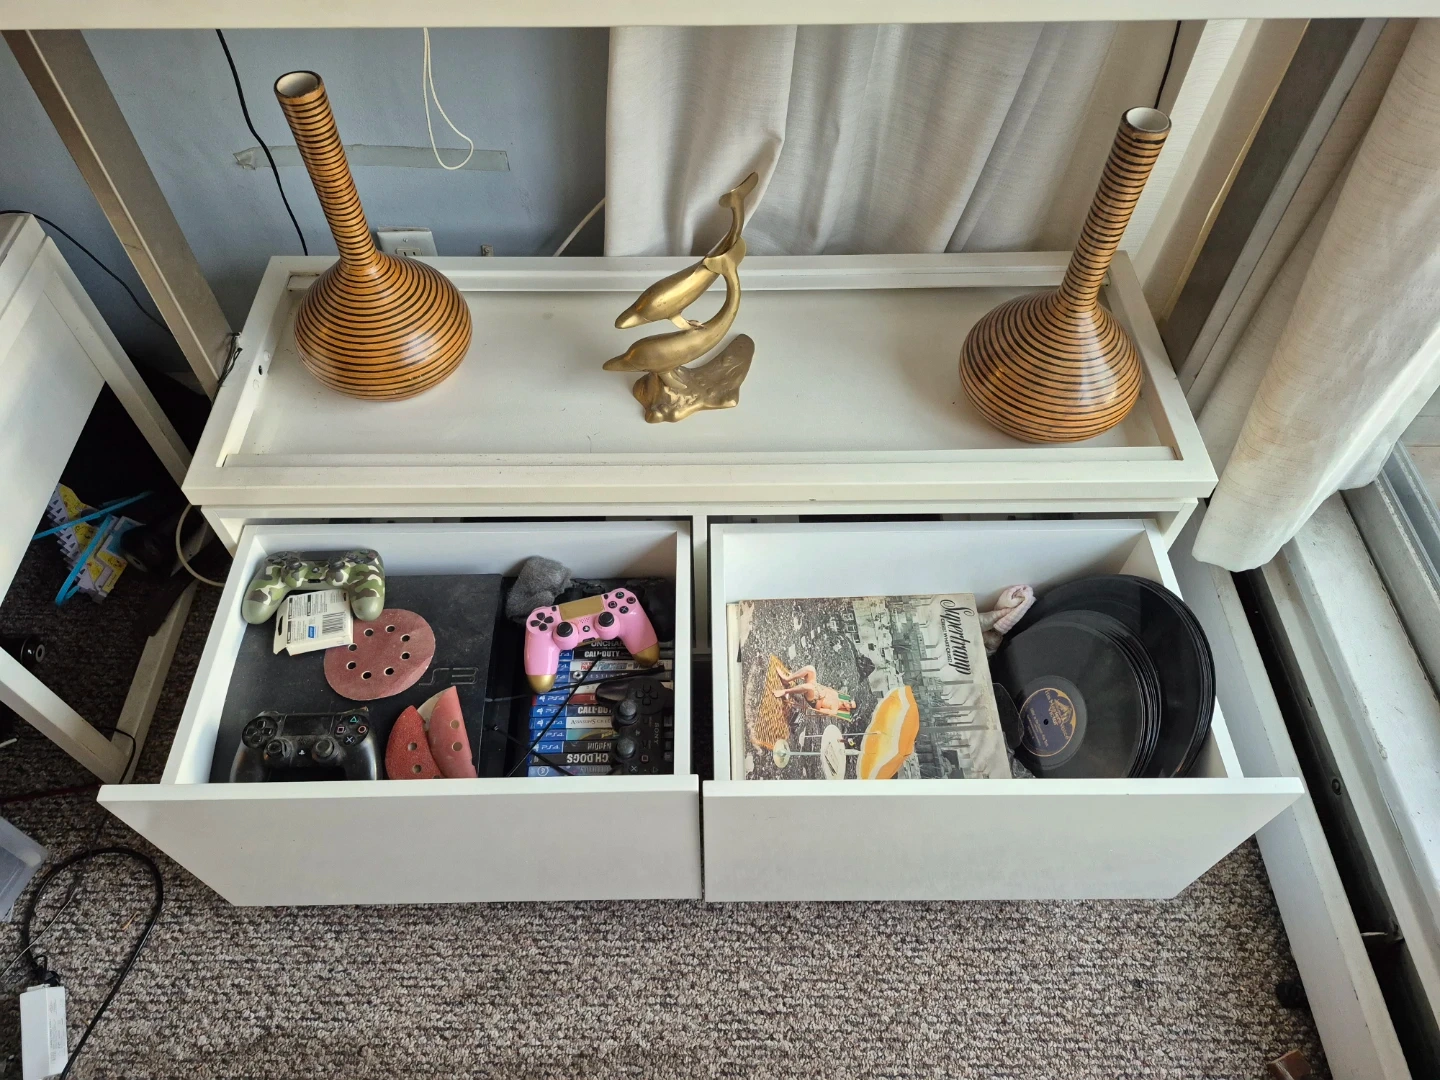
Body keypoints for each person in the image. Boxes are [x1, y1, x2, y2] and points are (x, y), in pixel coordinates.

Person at [772, 661, 854, 720]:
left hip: (814, 699)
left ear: (848, 709)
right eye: (850, 701)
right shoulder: (836, 694)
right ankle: (787, 680)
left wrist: (821, 698)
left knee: (810, 687)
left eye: (850, 705)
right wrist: (805, 677)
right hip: (816, 687)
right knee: (811, 669)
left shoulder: (834, 710)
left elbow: (817, 710)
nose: (848, 702)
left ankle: (786, 692)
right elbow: (820, 686)